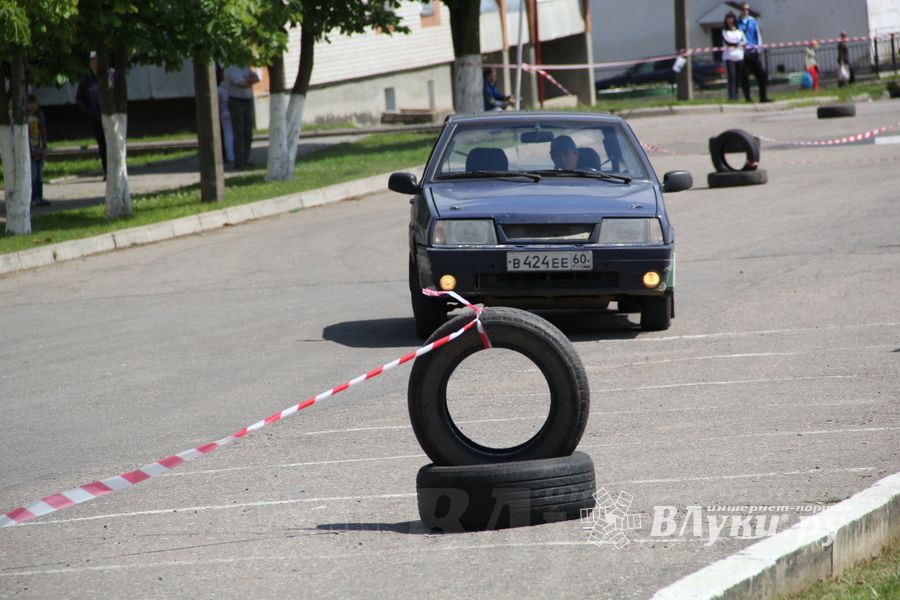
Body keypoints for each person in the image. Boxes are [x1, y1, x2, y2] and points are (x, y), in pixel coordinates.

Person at [75, 52, 106, 177]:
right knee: (102, 145)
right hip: (95, 118)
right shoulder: (86, 79)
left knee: (112, 144)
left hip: (110, 117)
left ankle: (116, 170)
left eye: (96, 60)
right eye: (92, 61)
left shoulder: (107, 75)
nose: (94, 63)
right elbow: (79, 98)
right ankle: (107, 170)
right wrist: (88, 109)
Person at [223, 64, 260, 169]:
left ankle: (246, 159)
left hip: (247, 102)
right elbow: (242, 84)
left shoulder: (245, 67)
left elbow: (257, 78)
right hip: (236, 102)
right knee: (239, 133)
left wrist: (249, 80)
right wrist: (250, 81)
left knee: (248, 133)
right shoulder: (231, 69)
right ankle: (239, 161)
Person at [738, 3, 771, 103]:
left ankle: (763, 97)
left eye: (747, 9)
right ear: (740, 10)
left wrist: (758, 49)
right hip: (743, 53)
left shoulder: (752, 21)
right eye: (743, 9)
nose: (745, 11)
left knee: (762, 74)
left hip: (753, 52)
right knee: (744, 77)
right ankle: (748, 98)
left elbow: (758, 35)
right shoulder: (737, 22)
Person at [26, 94, 49, 208]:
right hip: (30, 148)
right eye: (30, 103)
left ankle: (39, 196)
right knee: (33, 174)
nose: (32, 106)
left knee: (40, 173)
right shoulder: (25, 117)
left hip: (39, 148)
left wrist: (44, 144)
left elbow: (43, 131)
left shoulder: (39, 116)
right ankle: (34, 197)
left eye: (34, 103)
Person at [722, 12, 746, 101]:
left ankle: (736, 95)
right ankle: (731, 96)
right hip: (729, 57)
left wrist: (738, 44)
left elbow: (744, 41)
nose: (730, 20)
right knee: (731, 76)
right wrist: (737, 44)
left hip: (739, 56)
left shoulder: (739, 31)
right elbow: (727, 42)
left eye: (732, 18)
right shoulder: (724, 31)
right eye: (728, 18)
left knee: (738, 77)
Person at [216, 67, 235, 164]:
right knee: (236, 133)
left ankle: (230, 156)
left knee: (228, 134)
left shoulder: (219, 89)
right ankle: (237, 154)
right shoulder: (233, 86)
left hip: (224, 112)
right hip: (234, 110)